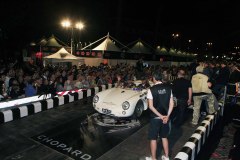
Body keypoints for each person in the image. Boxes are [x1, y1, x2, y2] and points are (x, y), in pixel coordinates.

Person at [145, 72, 174, 160]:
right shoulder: (169, 88)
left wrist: (161, 116)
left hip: (155, 118)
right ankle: (166, 156)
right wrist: (167, 116)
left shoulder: (151, 89)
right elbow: (172, 104)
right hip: (166, 117)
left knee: (153, 138)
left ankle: (153, 158)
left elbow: (150, 106)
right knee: (164, 137)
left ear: (154, 78)